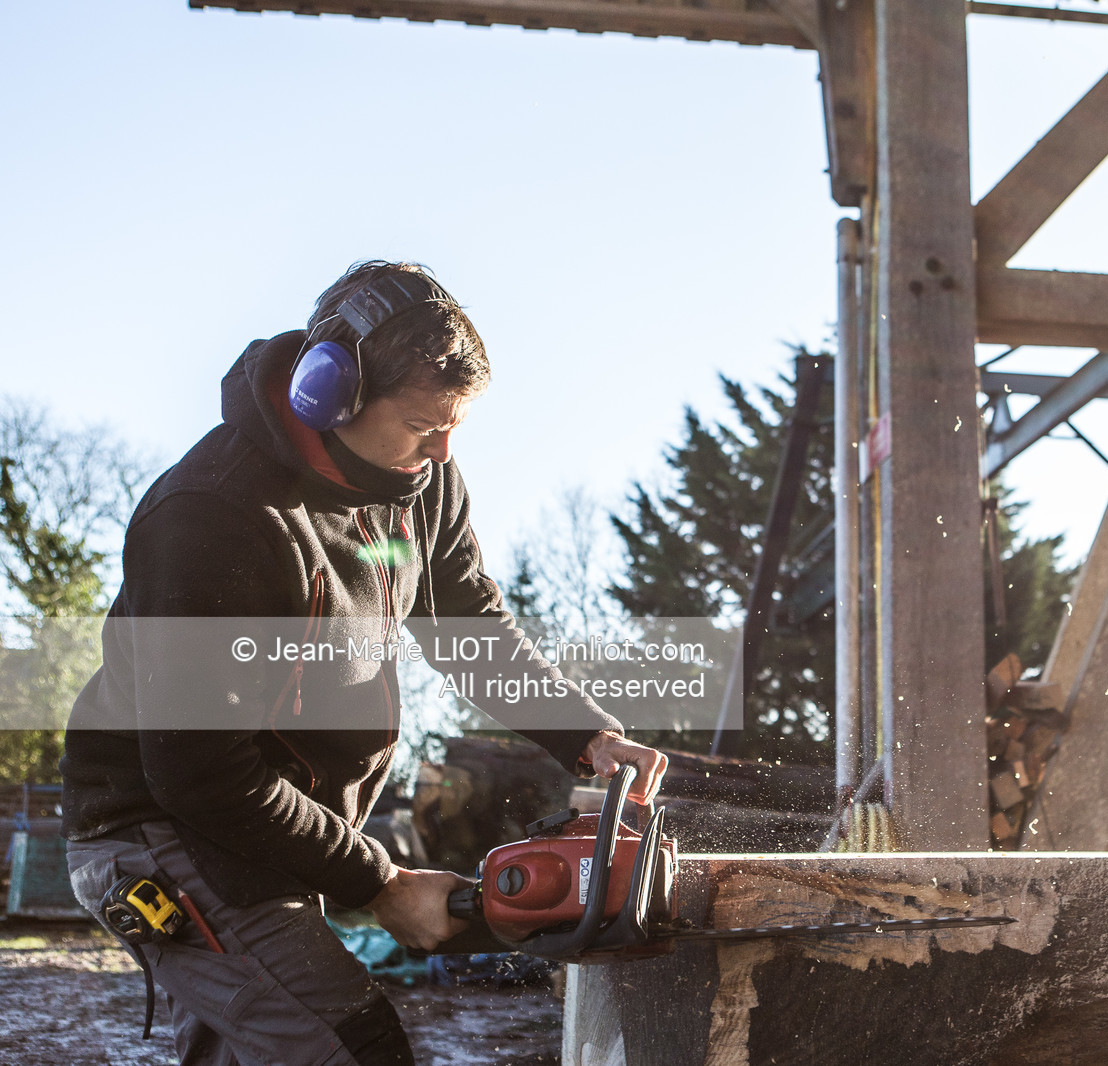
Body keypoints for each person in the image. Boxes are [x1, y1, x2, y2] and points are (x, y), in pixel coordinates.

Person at [59, 260, 668, 1065]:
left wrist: (586, 738)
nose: (445, 448)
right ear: (329, 392)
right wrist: (378, 882)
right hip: (165, 832)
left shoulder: (423, 482)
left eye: (454, 425)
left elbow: (468, 628)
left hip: (260, 828)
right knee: (351, 1047)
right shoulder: (212, 515)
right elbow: (198, 770)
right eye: (424, 425)